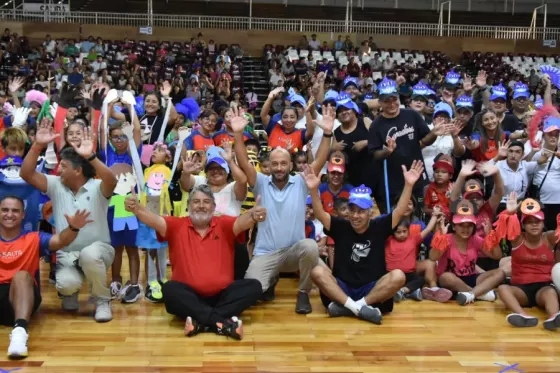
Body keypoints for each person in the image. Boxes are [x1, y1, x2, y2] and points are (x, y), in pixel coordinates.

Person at [124, 184, 263, 340]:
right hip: (189, 296)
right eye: (196, 201)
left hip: (222, 295)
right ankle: (221, 322)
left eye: (206, 201)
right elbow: (154, 220)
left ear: (214, 206)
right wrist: (137, 209)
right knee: (170, 290)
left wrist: (253, 216)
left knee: (254, 287)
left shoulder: (224, 224)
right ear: (189, 206)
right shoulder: (176, 225)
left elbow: (242, 222)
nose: (201, 206)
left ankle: (202, 322)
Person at [233, 105, 334, 314]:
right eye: (275, 164)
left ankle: (303, 292)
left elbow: (321, 159)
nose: (279, 168)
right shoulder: (260, 181)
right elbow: (243, 161)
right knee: (250, 293)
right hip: (265, 254)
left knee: (310, 247)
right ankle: (269, 281)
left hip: (293, 254)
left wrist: (327, 133)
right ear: (269, 165)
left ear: (290, 165)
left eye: (283, 163)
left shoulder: (300, 182)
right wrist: (238, 134)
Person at [303, 160, 426, 324]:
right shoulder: (341, 226)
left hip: (372, 290)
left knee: (398, 275)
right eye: (352, 210)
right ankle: (357, 308)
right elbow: (320, 214)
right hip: (342, 289)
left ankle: (353, 307)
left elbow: (400, 211)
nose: (355, 215)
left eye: (361, 211)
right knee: (317, 271)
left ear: (370, 212)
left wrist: (409, 185)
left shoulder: (379, 225)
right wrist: (313, 190)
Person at [20, 119, 118, 322]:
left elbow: (112, 180)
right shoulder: (56, 185)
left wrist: (90, 156)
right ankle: (70, 292)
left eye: (63, 166)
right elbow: (26, 173)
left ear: (78, 170)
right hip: (67, 254)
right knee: (65, 284)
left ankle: (102, 299)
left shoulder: (97, 186)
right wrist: (37, 145)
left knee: (90, 255)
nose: (58, 170)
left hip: (99, 251)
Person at [1, 195, 93, 358]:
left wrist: (73, 228)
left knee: (21, 276)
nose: (9, 214)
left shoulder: (33, 238)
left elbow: (59, 241)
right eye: (5, 210)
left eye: (15, 211)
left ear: (23, 215)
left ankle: (19, 333)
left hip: (20, 297)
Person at [496, 193, 560, 329]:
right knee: (502, 288)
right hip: (520, 289)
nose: (534, 225)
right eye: (529, 222)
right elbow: (505, 227)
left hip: (543, 287)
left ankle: (554, 317)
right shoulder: (517, 239)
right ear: (523, 225)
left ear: (543, 223)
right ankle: (522, 315)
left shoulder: (548, 238)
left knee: (550, 292)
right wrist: (510, 212)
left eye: (537, 221)